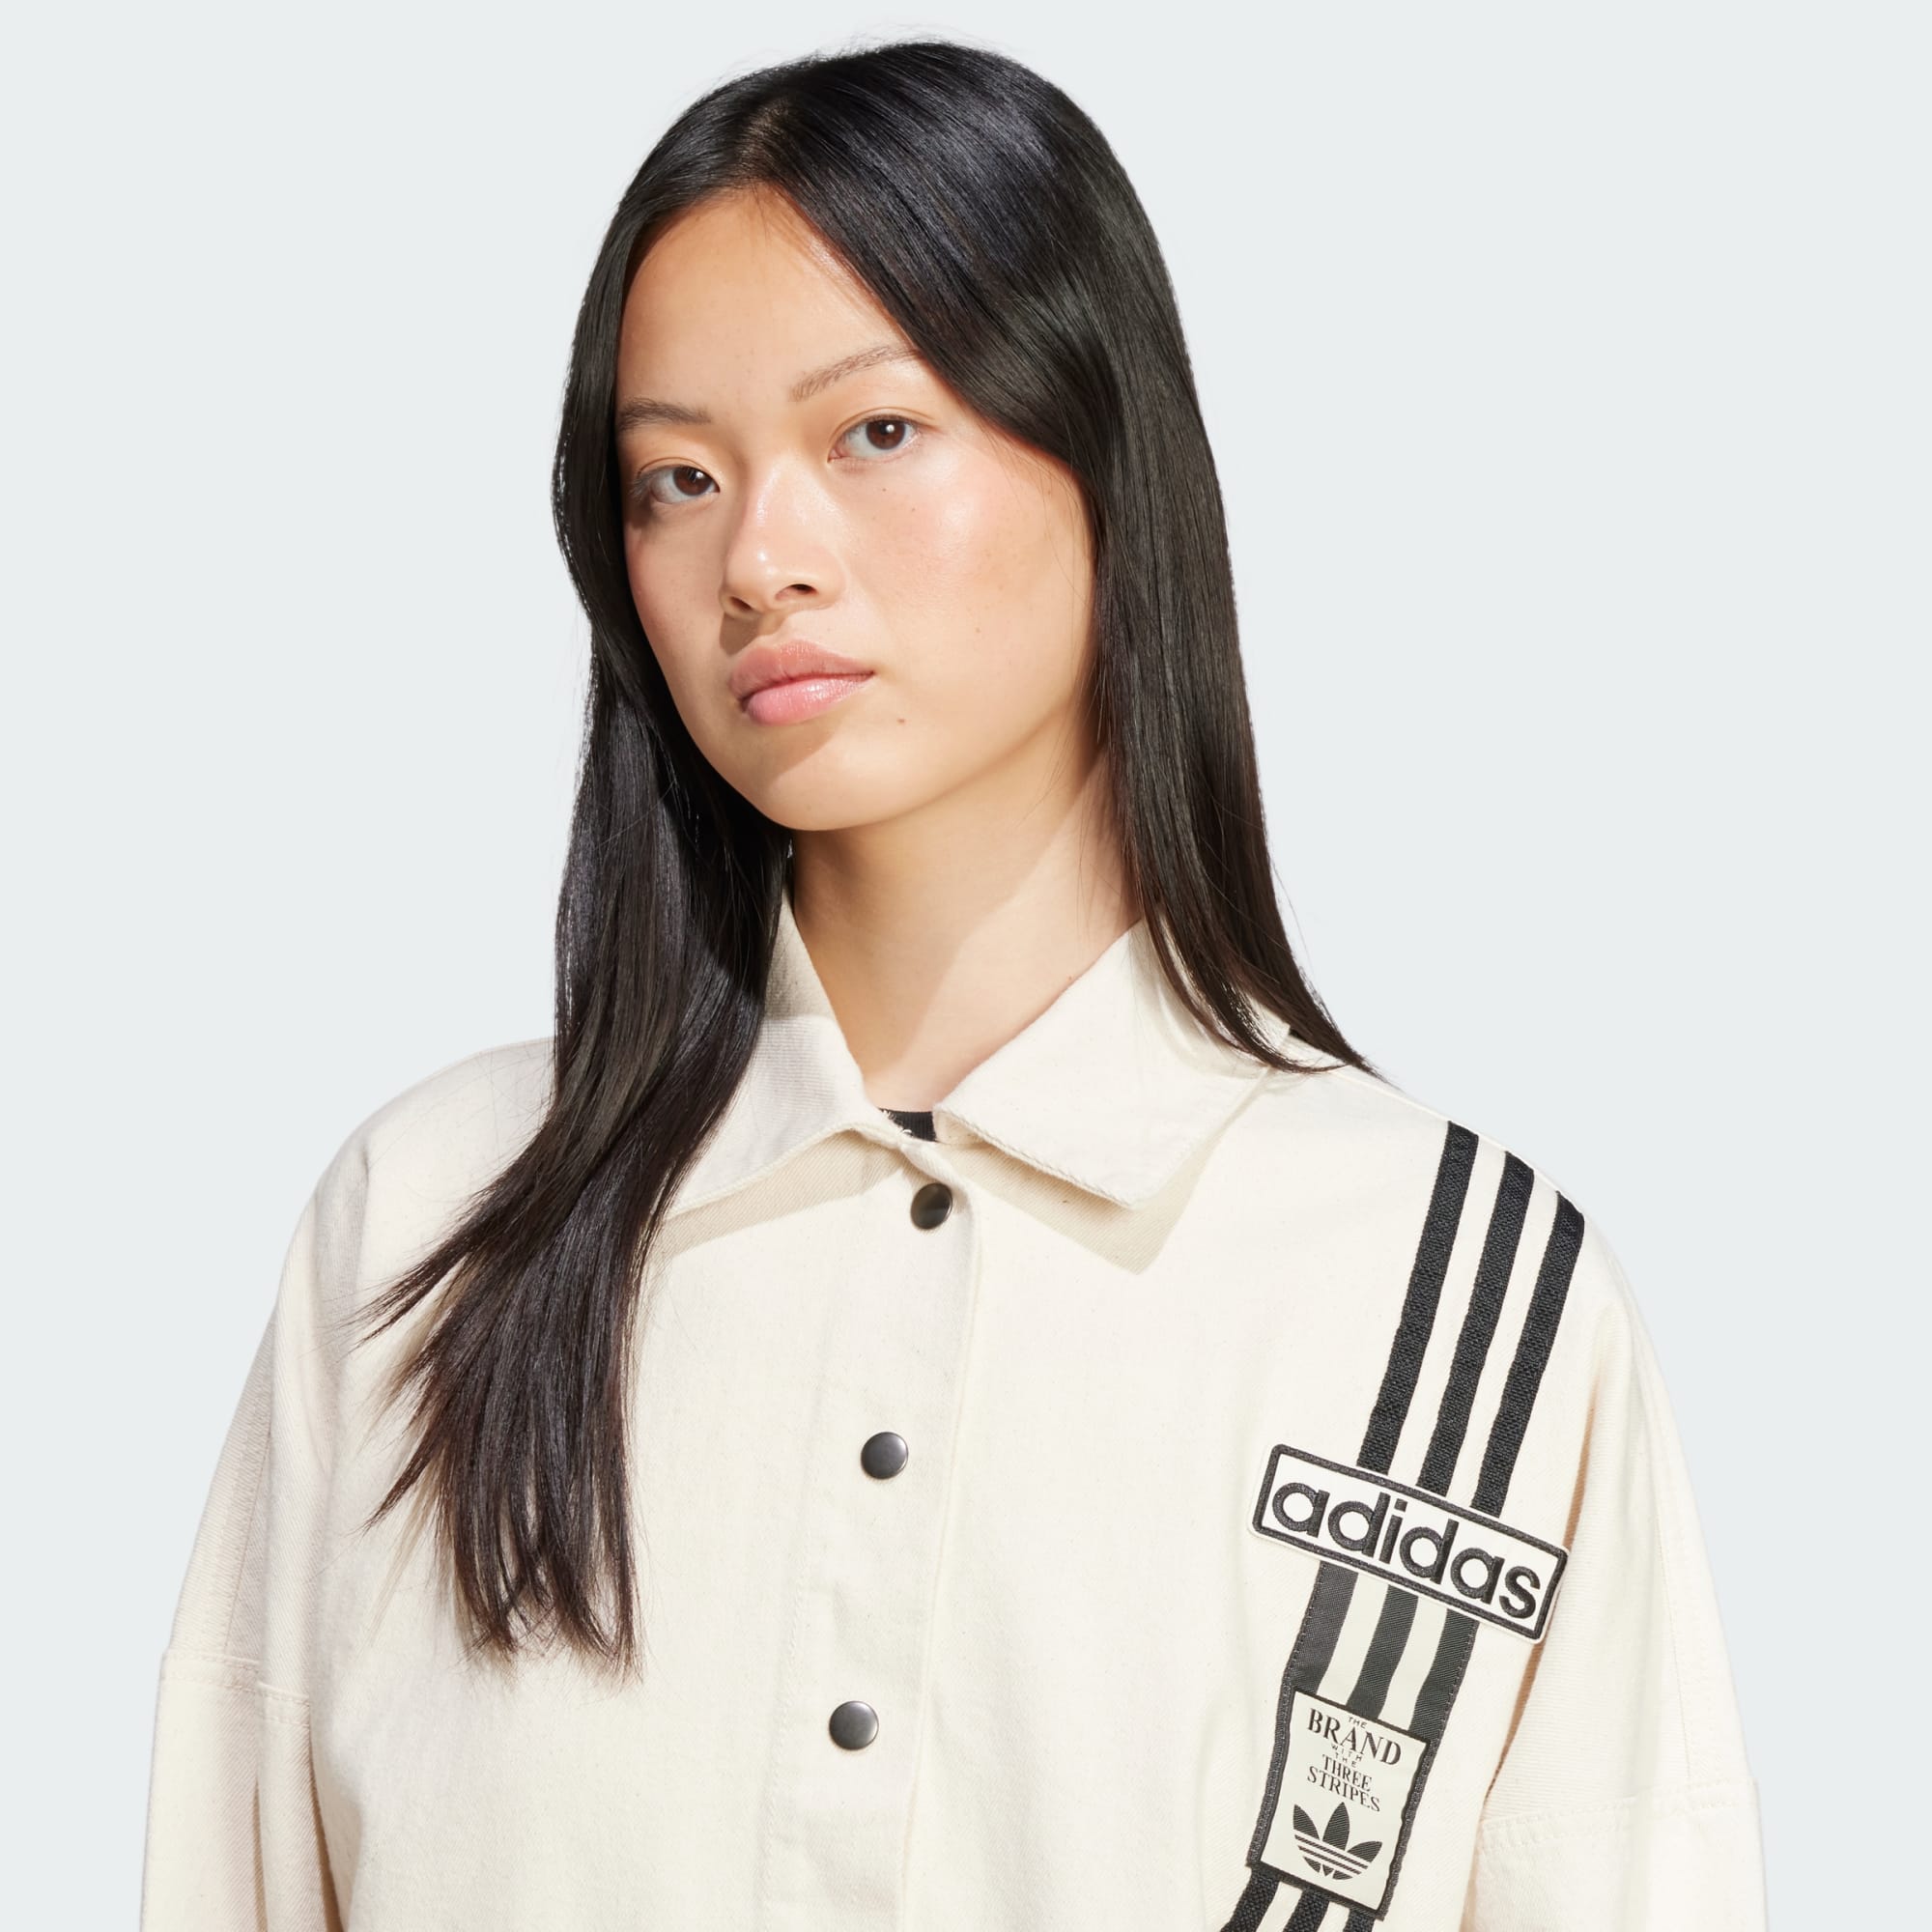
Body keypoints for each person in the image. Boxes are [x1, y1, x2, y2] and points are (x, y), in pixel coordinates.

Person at [138, 35, 1766, 1932]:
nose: (760, 558)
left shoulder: (1454, 1295)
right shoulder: (428, 1227)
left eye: (875, 434)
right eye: (676, 478)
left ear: (1105, 451)